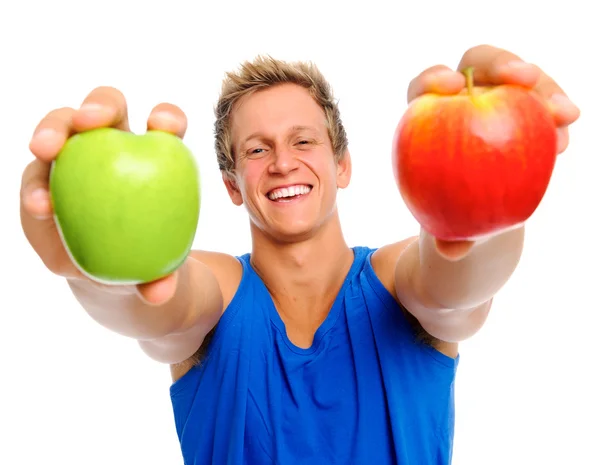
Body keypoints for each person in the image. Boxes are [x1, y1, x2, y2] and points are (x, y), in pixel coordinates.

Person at [20, 44, 580, 464]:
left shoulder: (396, 282)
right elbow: (161, 306)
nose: (283, 162)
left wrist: (484, 200)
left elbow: (459, 283)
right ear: (233, 185)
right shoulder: (220, 292)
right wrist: (95, 270)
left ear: (343, 165)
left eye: (303, 140)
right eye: (257, 149)